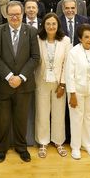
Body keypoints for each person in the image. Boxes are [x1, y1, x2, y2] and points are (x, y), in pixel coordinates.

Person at [0, 1, 41, 163]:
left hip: (24, 85)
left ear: (22, 14)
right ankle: (2, 148)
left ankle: (21, 147)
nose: (14, 17)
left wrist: (21, 77)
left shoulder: (32, 31)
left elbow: (35, 58)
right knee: (2, 120)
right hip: (3, 85)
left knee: (21, 119)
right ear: (6, 15)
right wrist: (9, 76)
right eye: (11, 14)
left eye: (17, 14)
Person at [34, 13, 71, 158]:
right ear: (43, 25)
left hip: (58, 83)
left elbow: (66, 64)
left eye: (54, 24)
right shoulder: (38, 39)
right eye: (48, 24)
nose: (51, 26)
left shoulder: (65, 41)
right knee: (42, 112)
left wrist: (62, 84)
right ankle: (43, 142)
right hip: (41, 80)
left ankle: (58, 141)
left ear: (58, 25)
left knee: (59, 113)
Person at [64, 24, 90, 160]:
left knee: (89, 117)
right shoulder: (74, 52)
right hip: (77, 91)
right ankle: (75, 146)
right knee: (76, 118)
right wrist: (72, 94)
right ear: (80, 38)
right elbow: (69, 75)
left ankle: (87, 144)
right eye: (86, 37)